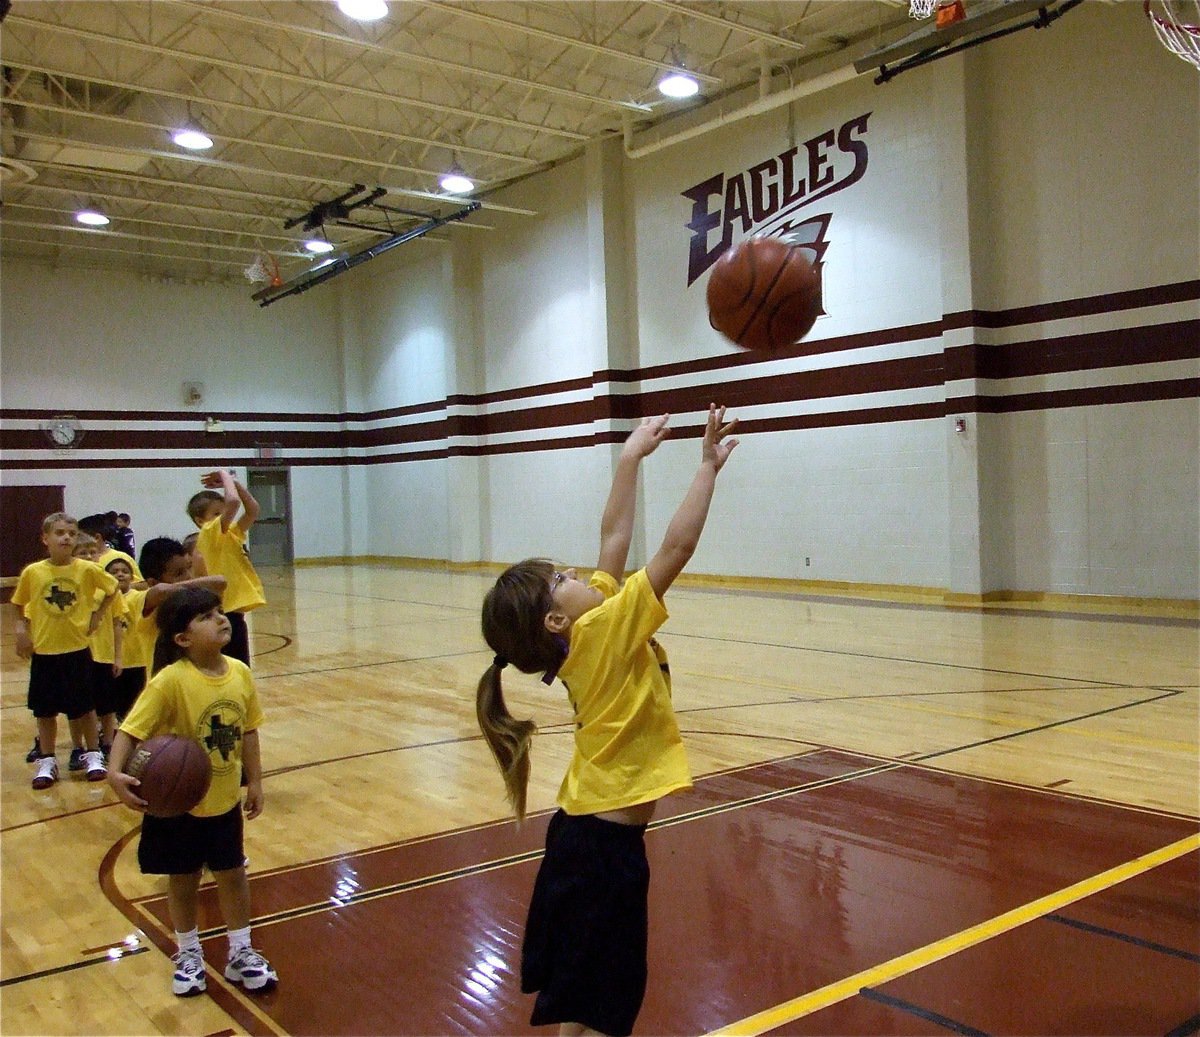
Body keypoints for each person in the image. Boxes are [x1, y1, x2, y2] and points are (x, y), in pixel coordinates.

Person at [476, 404, 740, 1037]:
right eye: (562, 579)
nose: (578, 572)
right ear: (556, 621)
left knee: (589, 1001)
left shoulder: (587, 628)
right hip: (601, 853)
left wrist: (630, 458)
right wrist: (705, 467)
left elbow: (613, 538)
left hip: (586, 839)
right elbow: (675, 546)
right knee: (609, 1007)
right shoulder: (603, 632)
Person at [106, 587, 278, 998]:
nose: (220, 619)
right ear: (182, 639)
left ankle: (241, 950)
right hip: (178, 805)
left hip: (223, 800)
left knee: (233, 874)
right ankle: (188, 953)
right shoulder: (170, 681)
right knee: (182, 880)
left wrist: (254, 780)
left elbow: (248, 730)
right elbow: (130, 730)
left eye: (220, 612)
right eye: (206, 616)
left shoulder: (240, 672)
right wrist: (114, 772)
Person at [11, 512, 119, 788]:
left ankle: (93, 754)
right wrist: (22, 630)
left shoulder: (87, 569)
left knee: (84, 707)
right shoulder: (33, 572)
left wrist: (97, 615)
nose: (66, 537)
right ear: (45, 538)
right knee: (44, 711)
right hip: (45, 652)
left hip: (77, 650)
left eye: (71, 533)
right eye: (59, 533)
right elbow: (18, 603)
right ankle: (47, 760)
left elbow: (113, 587)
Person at [187, 470, 265, 666]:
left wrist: (235, 483)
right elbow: (234, 503)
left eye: (222, 513)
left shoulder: (229, 532)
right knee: (231, 666)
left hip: (234, 613)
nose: (224, 516)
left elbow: (253, 510)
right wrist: (224, 475)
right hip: (223, 611)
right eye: (216, 513)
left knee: (239, 667)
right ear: (200, 520)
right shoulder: (209, 532)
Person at [73, 534, 128, 764]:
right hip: (78, 653)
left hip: (104, 655)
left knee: (106, 707)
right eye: (82, 553)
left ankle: (107, 744)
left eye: (91, 552)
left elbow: (117, 623)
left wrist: (117, 656)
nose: (88, 556)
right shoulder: (73, 584)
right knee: (79, 707)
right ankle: (79, 747)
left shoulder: (108, 585)